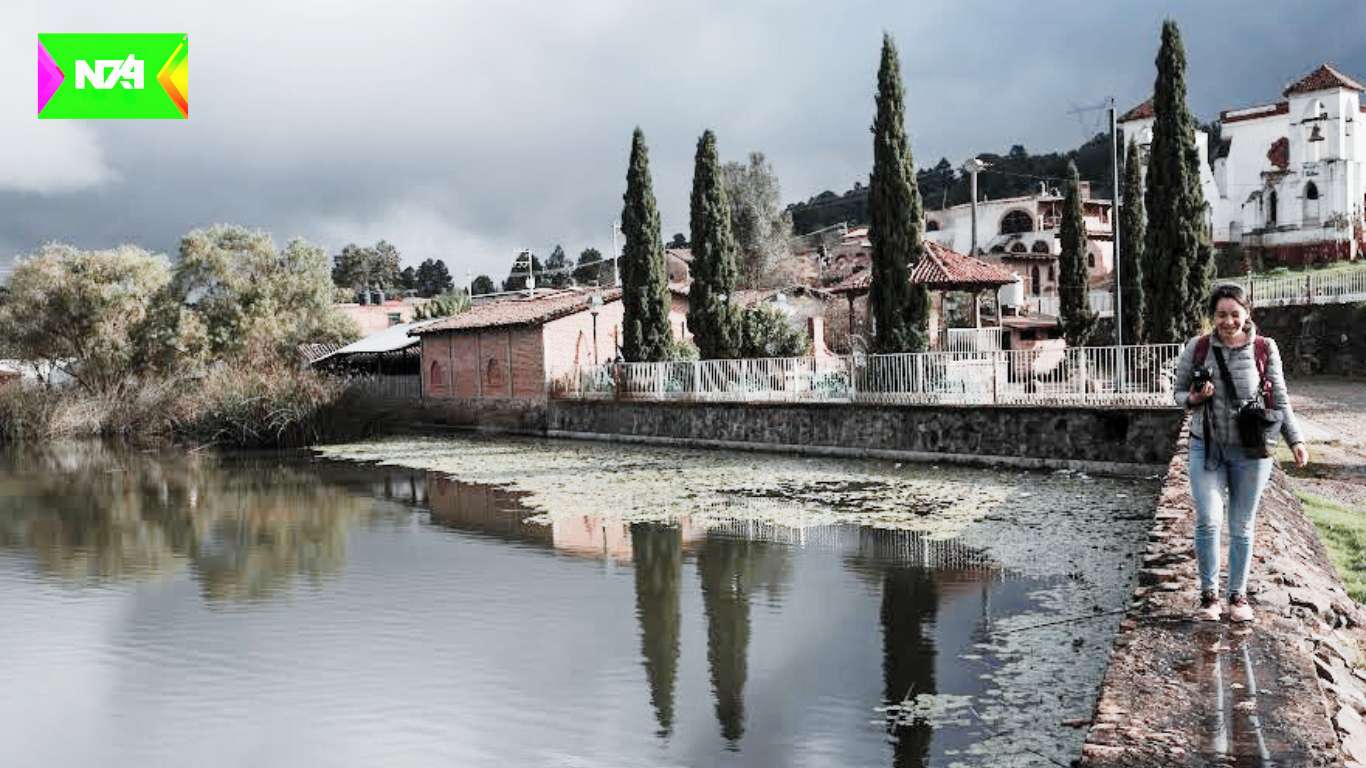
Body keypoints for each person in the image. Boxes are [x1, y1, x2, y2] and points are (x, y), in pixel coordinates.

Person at [1172, 284, 1309, 623]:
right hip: (1207, 447)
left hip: (1251, 450)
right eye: (1221, 314)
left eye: (1235, 314)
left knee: (1242, 525)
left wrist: (1296, 440)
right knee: (1208, 519)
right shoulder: (1199, 347)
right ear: (1212, 316)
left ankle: (1237, 595)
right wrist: (1193, 399)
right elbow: (1176, 393)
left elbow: (1280, 397)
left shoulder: (1265, 348)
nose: (1229, 321)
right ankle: (1209, 597)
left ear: (1247, 313)